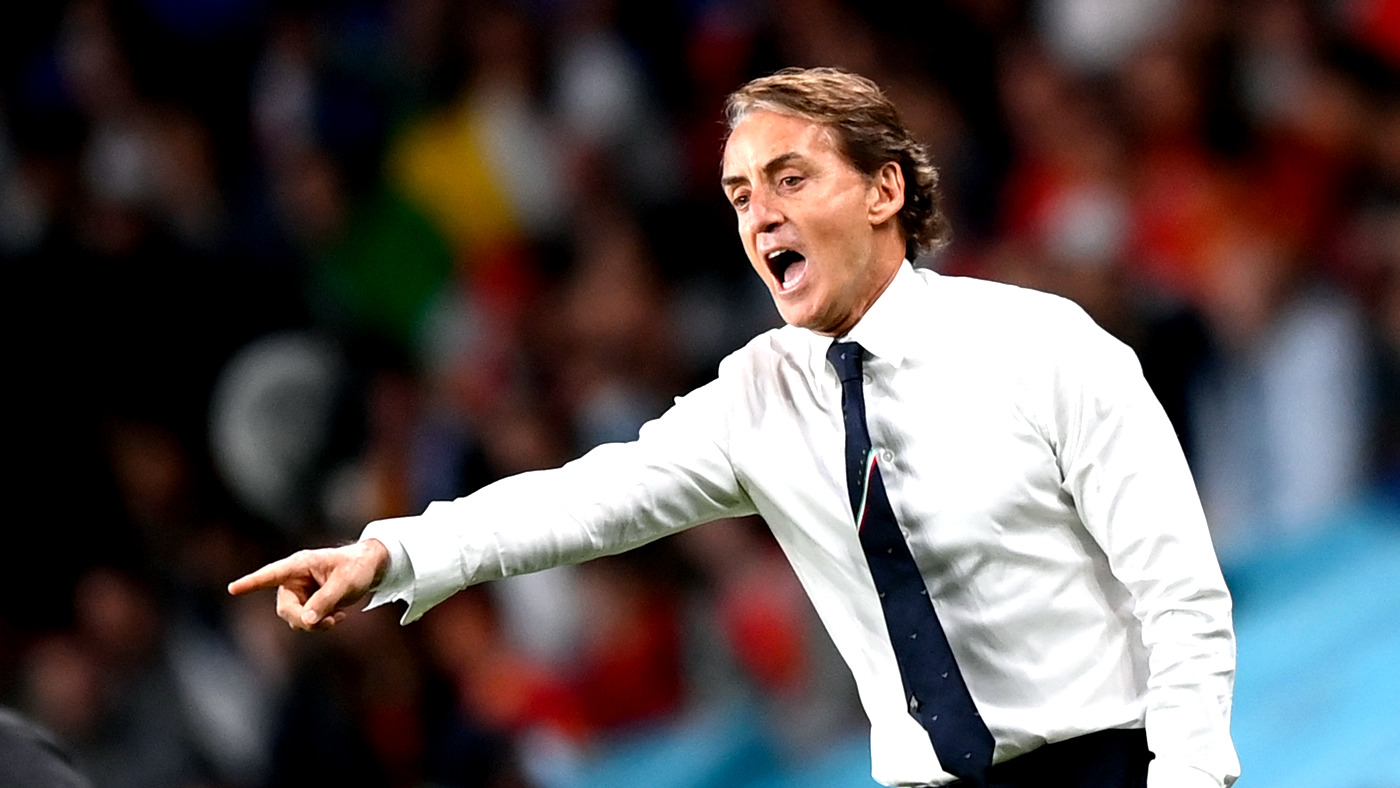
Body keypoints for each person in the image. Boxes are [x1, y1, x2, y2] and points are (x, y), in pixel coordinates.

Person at [230, 67, 1239, 788]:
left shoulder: (1043, 345)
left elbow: (1181, 596)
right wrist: (395, 551)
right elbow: (586, 498)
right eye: (740, 196)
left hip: (1112, 763)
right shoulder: (755, 397)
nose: (760, 216)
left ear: (885, 189)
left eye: (790, 180)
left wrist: (1189, 776)